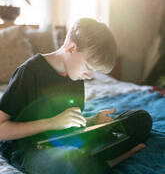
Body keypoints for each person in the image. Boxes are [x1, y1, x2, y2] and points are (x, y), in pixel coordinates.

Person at [0, 18, 152, 174]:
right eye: (88, 67)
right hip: (29, 148)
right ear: (71, 48)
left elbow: (66, 122)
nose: (89, 75)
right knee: (66, 161)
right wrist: (52, 123)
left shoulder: (76, 75)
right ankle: (109, 161)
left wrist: (92, 121)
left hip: (65, 140)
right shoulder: (29, 72)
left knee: (141, 118)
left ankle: (91, 162)